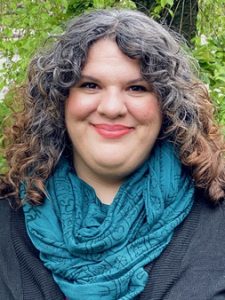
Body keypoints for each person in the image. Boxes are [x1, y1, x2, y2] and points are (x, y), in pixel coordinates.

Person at [1, 8, 225, 300]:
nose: (111, 107)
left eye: (136, 88)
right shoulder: (6, 223)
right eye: (90, 85)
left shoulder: (216, 221)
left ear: (168, 106)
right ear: (59, 100)